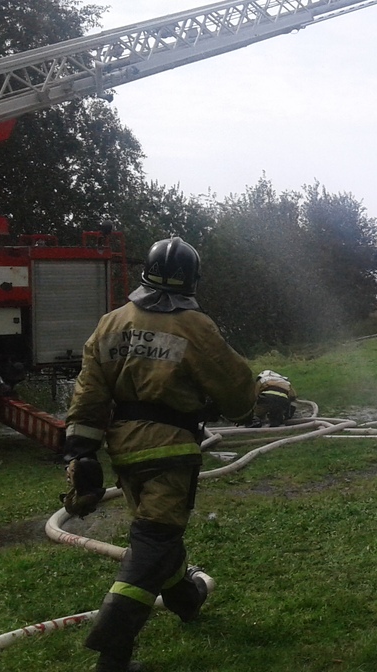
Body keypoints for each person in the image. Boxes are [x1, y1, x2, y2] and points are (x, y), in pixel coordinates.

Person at [61, 236, 257, 672]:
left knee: (159, 533)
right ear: (192, 281)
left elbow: (88, 397)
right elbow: (237, 390)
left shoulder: (110, 324)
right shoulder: (193, 326)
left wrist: (82, 456)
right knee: (154, 541)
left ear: (143, 275)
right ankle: (113, 656)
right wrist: (253, 394)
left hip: (125, 455)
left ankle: (187, 598)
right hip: (170, 451)